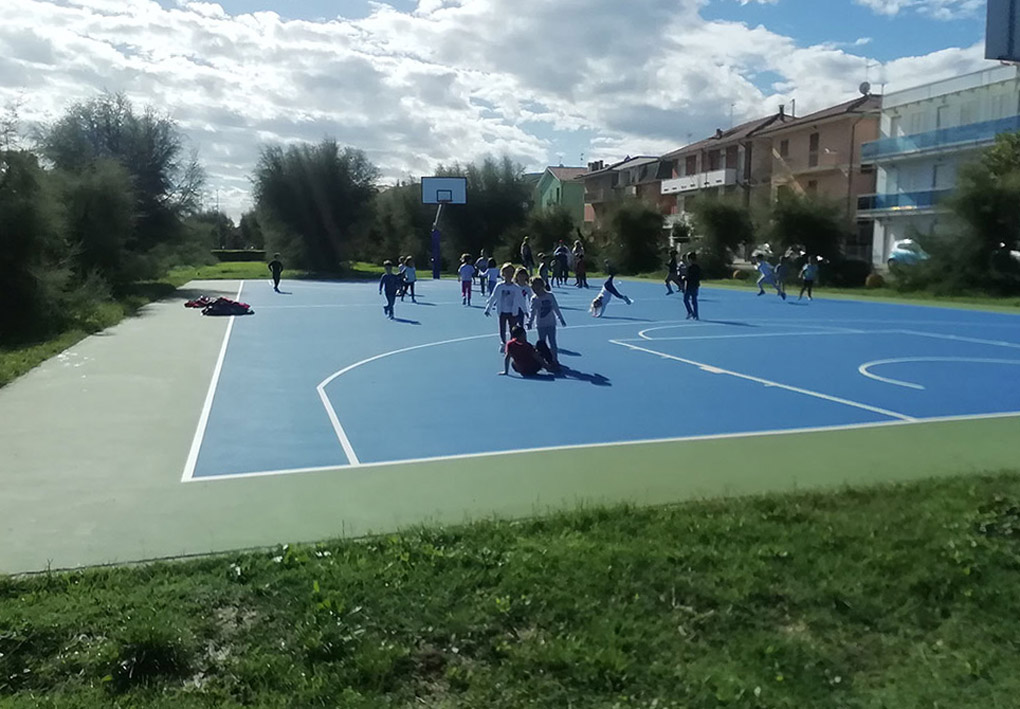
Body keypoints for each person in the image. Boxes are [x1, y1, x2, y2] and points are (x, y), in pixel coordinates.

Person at [485, 263, 528, 351]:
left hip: (513, 312)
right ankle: (503, 343)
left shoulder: (516, 288)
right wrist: (488, 308)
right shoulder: (500, 286)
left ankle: (512, 344)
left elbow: (521, 300)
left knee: (513, 328)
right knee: (502, 328)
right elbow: (493, 297)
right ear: (503, 273)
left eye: (511, 272)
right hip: (502, 311)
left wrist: (525, 311)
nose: (509, 274)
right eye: (507, 272)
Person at [528, 277, 566, 366]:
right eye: (533, 289)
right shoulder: (534, 299)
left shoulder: (550, 296)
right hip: (540, 324)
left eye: (537, 288)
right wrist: (530, 322)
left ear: (542, 286)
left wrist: (561, 318)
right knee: (542, 343)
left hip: (551, 323)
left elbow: (555, 308)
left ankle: (555, 359)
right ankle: (544, 360)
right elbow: (532, 311)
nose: (536, 290)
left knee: (552, 342)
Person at [683, 251, 702, 320]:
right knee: (694, 300)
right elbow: (700, 276)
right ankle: (696, 314)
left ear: (690, 259)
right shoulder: (698, 267)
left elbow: (688, 277)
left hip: (689, 285)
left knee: (685, 299)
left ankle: (690, 312)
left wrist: (684, 278)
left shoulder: (689, 268)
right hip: (695, 285)